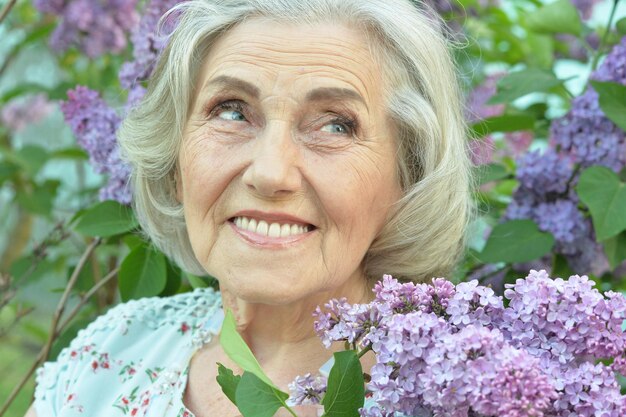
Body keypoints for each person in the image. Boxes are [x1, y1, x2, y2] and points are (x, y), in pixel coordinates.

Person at [26, 0, 472, 415]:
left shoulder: (454, 389)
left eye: (336, 125)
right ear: (176, 161)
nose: (271, 172)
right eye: (232, 112)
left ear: (408, 177)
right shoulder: (109, 354)